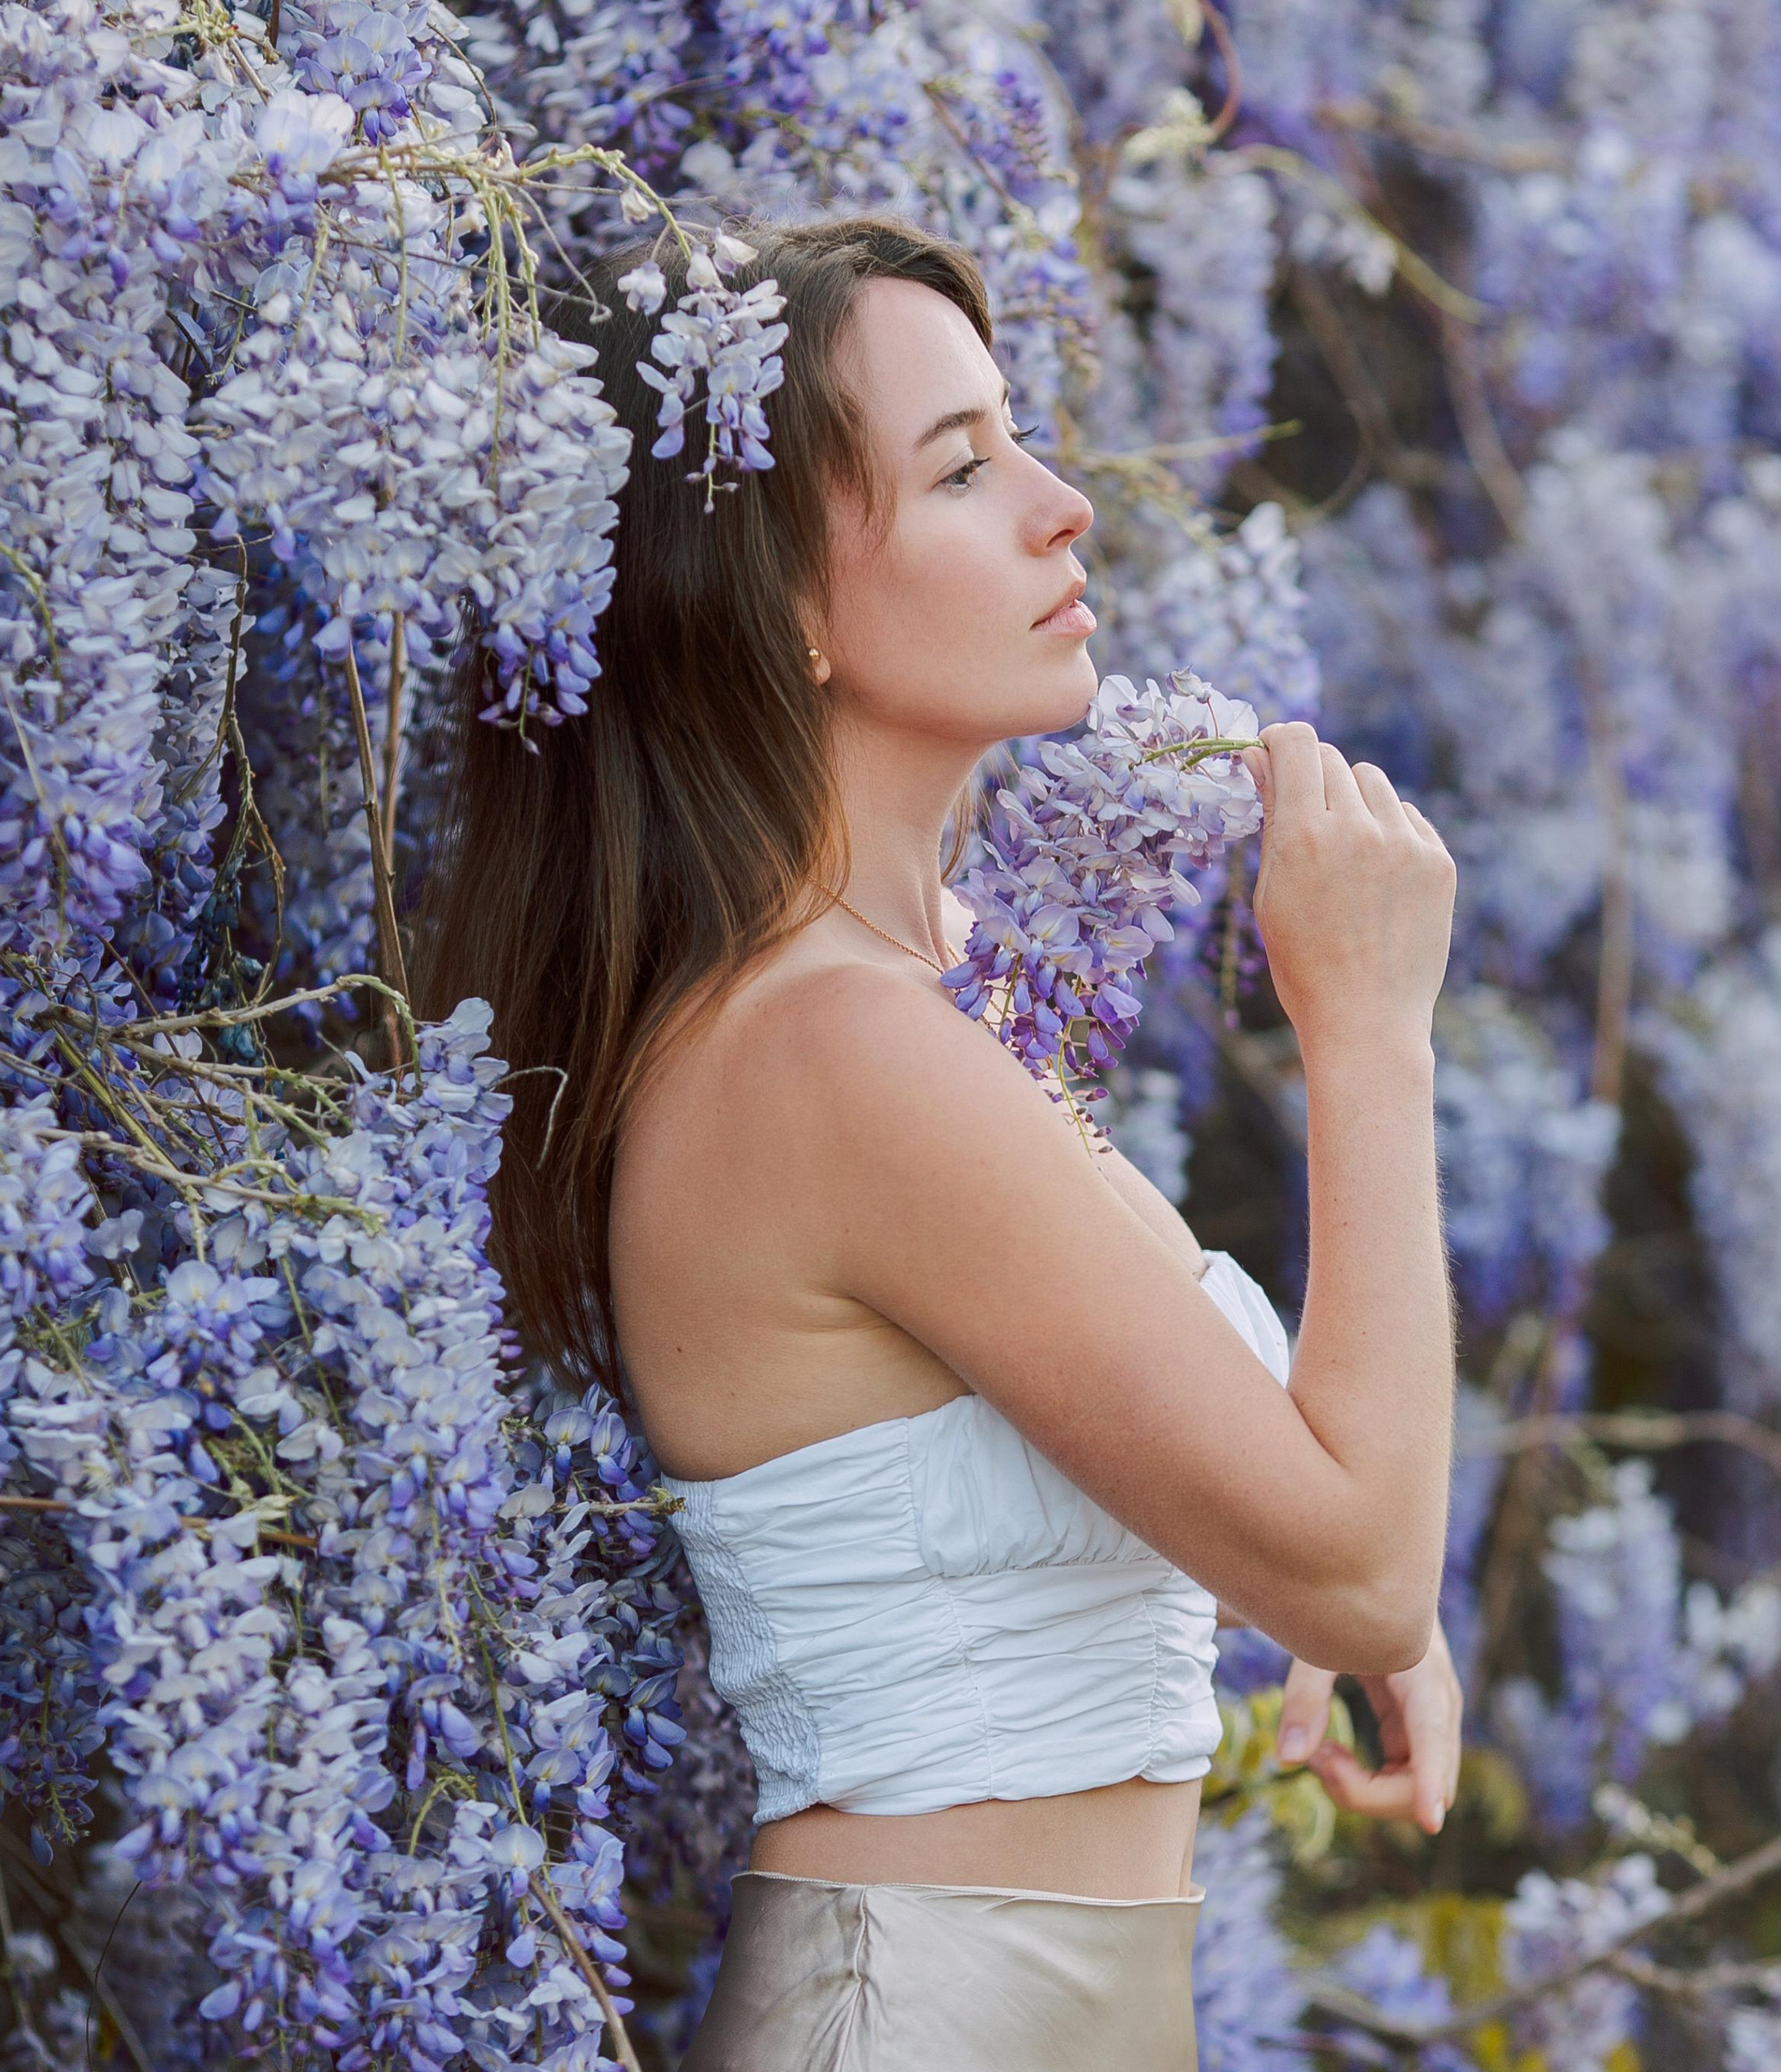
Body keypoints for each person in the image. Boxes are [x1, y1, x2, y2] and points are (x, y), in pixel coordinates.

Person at [413, 212, 1461, 2071]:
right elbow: (1363, 1556)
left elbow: (1270, 1505)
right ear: (780, 607)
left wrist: (1288, 1542)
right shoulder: (827, 1050)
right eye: (963, 469)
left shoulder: (918, 992)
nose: (1063, 507)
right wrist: (1367, 1029)